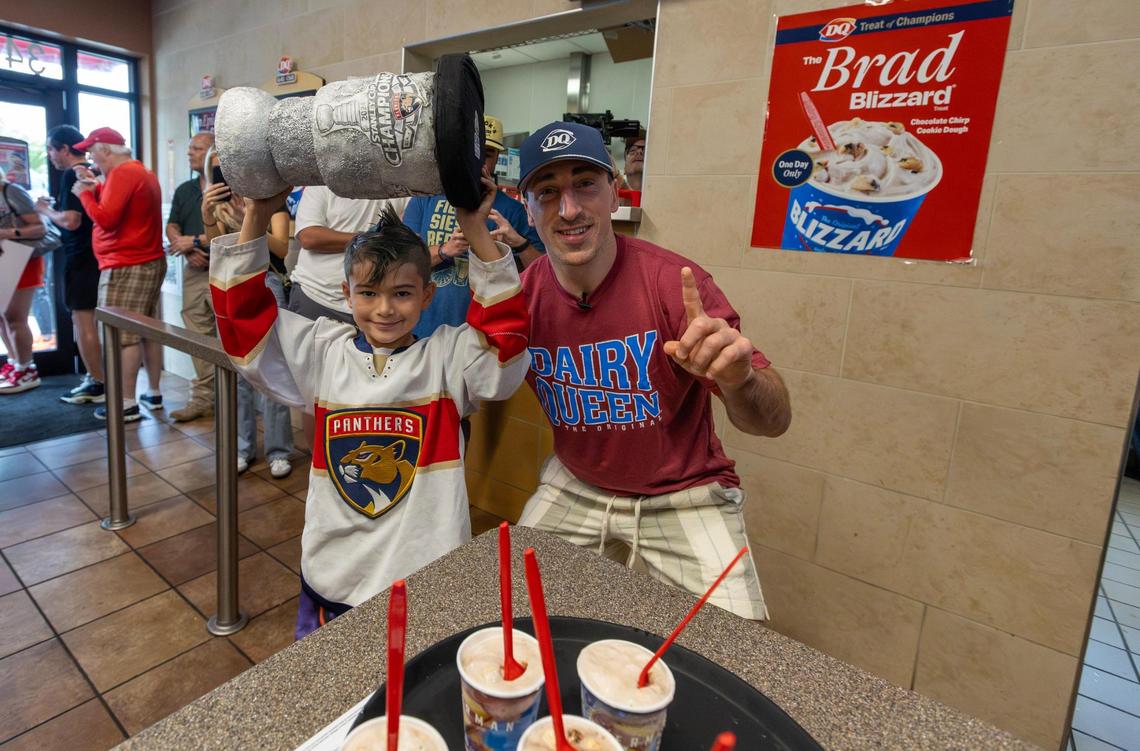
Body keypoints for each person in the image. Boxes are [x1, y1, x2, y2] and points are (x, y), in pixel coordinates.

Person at [208, 172, 529, 639]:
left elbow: (504, 349)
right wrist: (258, 213)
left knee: (421, 699)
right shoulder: (322, 350)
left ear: (427, 295)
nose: (384, 310)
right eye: (369, 293)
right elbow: (244, 327)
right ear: (346, 295)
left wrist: (474, 228)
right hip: (335, 573)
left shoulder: (447, 357)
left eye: (401, 293)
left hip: (427, 575)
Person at [514, 122, 792, 621]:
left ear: (615, 191)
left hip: (684, 494)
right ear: (526, 206)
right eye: (548, 192)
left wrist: (739, 380)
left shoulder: (673, 284)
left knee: (733, 658)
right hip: (575, 483)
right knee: (512, 621)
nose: (570, 209)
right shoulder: (520, 299)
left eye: (585, 184)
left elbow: (771, 421)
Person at [402, 115, 544, 339]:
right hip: (421, 332)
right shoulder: (424, 199)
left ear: (498, 158)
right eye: (471, 152)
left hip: (482, 338)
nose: (478, 162)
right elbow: (400, 263)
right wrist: (444, 251)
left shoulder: (514, 211)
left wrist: (518, 246)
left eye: (487, 154)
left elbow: (541, 279)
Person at [291, 185, 409, 449]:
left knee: (368, 392)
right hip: (316, 296)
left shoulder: (397, 187)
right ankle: (319, 464)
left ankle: (355, 461)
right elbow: (309, 236)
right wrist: (370, 238)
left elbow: (404, 236)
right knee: (315, 394)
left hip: (370, 304)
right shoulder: (323, 185)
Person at [200, 154, 294, 479]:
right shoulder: (219, 205)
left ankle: (279, 451)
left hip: (266, 281)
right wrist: (207, 215)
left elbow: (281, 249)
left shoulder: (270, 204)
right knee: (238, 372)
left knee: (272, 371)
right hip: (227, 287)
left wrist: (251, 220)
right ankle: (242, 447)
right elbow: (216, 250)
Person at [71, 127, 166, 423]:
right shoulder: (136, 172)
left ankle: (125, 403)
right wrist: (96, 188)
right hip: (141, 260)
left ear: (106, 151)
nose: (90, 159)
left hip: (126, 263)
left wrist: (85, 195)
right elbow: (119, 209)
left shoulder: (124, 174)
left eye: (92, 152)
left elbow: (107, 219)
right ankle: (151, 391)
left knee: (123, 335)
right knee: (144, 331)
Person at [38, 125, 104, 404]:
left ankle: (97, 382)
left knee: (82, 319)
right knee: (90, 319)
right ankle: (98, 378)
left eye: (51, 149)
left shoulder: (70, 174)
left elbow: (71, 220)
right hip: (99, 254)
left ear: (64, 148)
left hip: (80, 256)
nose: (50, 155)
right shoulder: (94, 172)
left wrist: (45, 210)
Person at [167, 132, 216, 421]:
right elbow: (172, 225)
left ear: (213, 152)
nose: (190, 153)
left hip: (226, 271)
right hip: (195, 270)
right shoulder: (185, 190)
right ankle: (203, 397)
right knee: (198, 338)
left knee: (230, 338)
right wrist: (186, 248)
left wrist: (195, 241)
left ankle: (235, 397)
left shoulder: (228, 187)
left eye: (197, 149)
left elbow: (235, 230)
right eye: (189, 149)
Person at [0, 166, 50, 394]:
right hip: (5, 258)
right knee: (3, 317)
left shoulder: (12, 191)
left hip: (20, 258)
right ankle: (15, 362)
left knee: (14, 317)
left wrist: (8, 233)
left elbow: (39, 228)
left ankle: (27, 368)